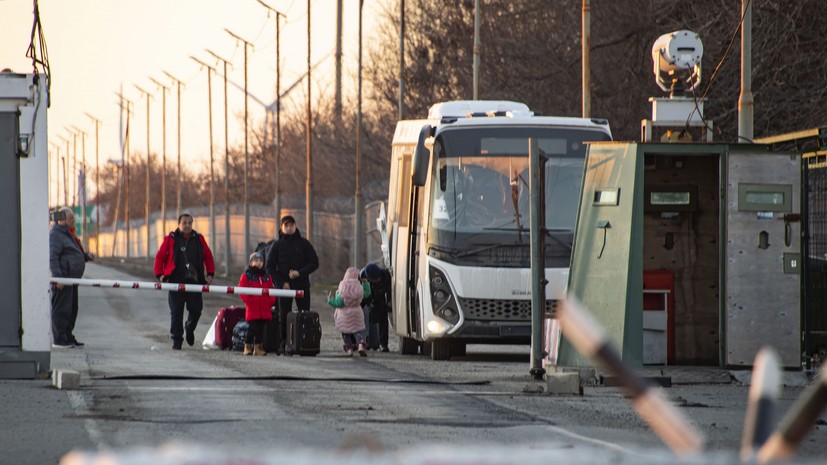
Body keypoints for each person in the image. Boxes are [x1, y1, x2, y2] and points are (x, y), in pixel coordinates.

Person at [154, 213, 215, 350]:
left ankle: (190, 327)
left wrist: (210, 274)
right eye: (184, 223)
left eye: (189, 223)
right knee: (176, 312)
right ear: (179, 224)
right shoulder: (171, 239)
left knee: (196, 310)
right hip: (175, 281)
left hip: (194, 282)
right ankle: (177, 340)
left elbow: (208, 257)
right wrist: (160, 275)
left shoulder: (199, 239)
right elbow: (160, 257)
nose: (187, 225)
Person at [266, 215, 319, 354]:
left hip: (302, 285)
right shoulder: (276, 245)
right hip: (284, 288)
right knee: (283, 316)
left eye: (292, 225)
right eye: (286, 225)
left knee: (304, 314)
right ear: (282, 227)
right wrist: (282, 282)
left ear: (295, 226)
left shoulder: (303, 243)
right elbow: (269, 267)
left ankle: (305, 343)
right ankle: (284, 343)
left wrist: (299, 273)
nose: (289, 228)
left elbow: (314, 262)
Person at [49, 207, 95, 349]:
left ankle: (68, 336)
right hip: (63, 280)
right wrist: (58, 278)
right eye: (71, 219)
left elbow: (71, 252)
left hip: (72, 280)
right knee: (61, 310)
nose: (73, 221)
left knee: (71, 310)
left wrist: (85, 256)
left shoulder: (68, 234)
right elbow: (53, 257)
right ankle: (60, 339)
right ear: (62, 219)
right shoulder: (56, 234)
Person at [327, 267, 371, 357]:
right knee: (357, 331)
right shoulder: (359, 289)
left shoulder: (343, 290)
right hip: (357, 314)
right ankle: (360, 345)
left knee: (345, 333)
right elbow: (367, 293)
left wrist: (330, 299)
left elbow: (338, 303)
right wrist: (365, 283)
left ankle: (349, 349)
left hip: (344, 316)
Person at [238, 251, 275, 356]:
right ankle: (248, 346)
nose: (258, 263)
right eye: (256, 261)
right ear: (250, 263)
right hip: (252, 308)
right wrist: (251, 301)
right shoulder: (246, 276)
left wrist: (270, 302)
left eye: (261, 261)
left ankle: (258, 348)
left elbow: (272, 290)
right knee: (251, 328)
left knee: (261, 330)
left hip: (264, 308)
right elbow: (242, 291)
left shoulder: (267, 276)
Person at [360, 262, 392, 352]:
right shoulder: (362, 276)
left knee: (382, 318)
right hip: (366, 299)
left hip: (379, 298)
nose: (377, 280)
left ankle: (383, 344)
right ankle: (365, 342)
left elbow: (390, 290)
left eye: (378, 279)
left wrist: (389, 303)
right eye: (375, 280)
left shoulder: (385, 275)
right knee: (366, 319)